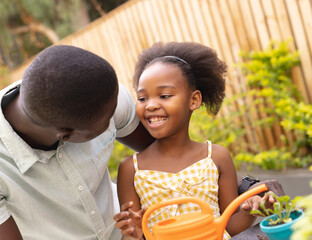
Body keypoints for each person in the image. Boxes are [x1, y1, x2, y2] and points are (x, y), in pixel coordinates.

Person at [0, 44, 282, 240]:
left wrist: (249, 190)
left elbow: (175, 159)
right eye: (113, 118)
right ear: (70, 136)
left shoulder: (95, 97)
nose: (137, 110)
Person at [113, 42, 280, 240]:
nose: (150, 105)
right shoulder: (131, 170)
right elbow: (135, 235)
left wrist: (248, 210)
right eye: (142, 98)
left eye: (164, 96)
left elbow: (228, 228)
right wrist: (136, 233)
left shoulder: (216, 157)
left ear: (194, 100)